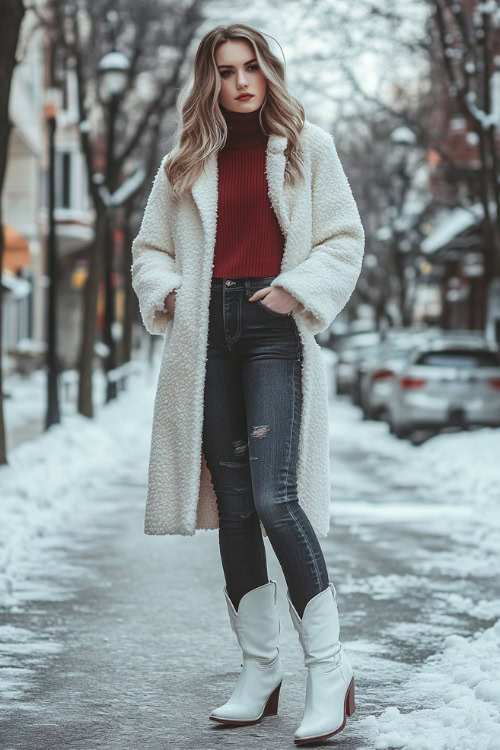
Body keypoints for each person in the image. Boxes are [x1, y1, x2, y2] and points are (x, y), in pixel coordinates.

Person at [131, 22, 364, 746]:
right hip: (207, 335)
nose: (239, 82)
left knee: (273, 497)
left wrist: (298, 289)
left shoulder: (306, 149)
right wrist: (167, 293)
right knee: (233, 508)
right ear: (210, 80)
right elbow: (151, 250)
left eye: (250, 67)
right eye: (226, 70)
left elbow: (343, 238)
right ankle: (260, 671)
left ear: (269, 72)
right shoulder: (183, 163)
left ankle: (329, 670)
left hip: (272, 328)